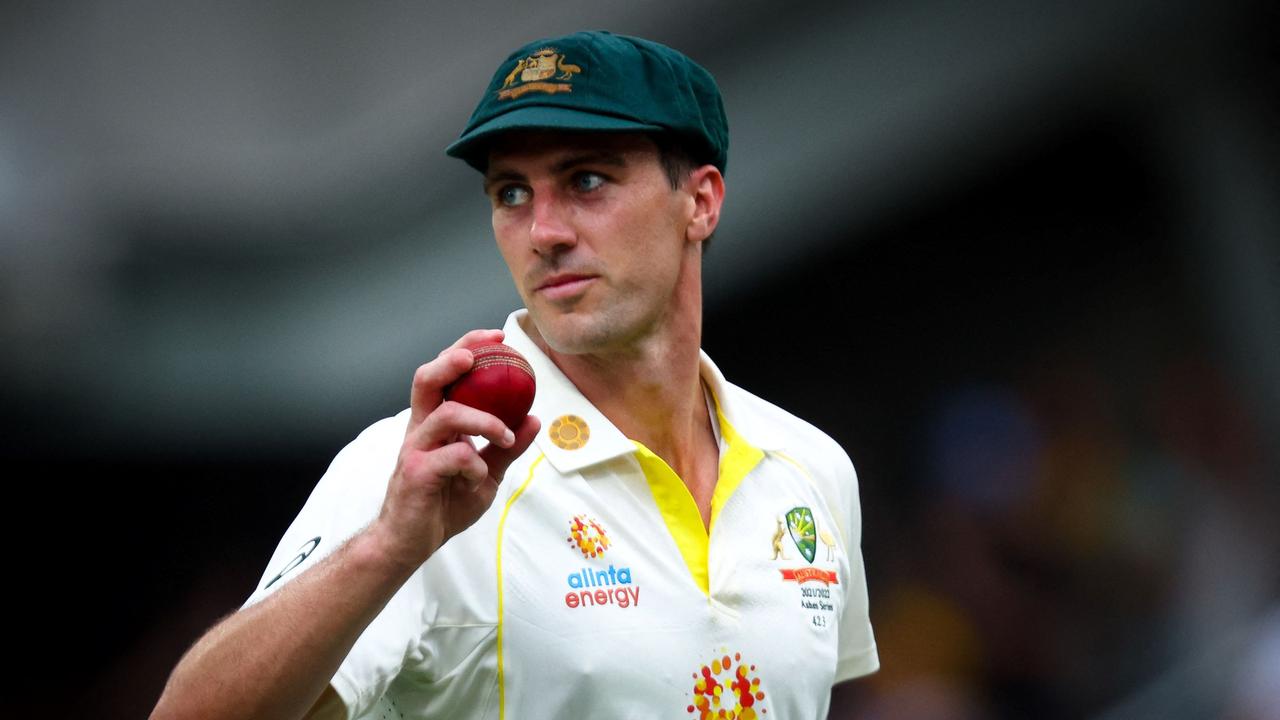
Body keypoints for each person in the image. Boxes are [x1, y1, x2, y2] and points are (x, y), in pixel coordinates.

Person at [151, 30, 877, 720]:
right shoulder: (419, 471)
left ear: (701, 201)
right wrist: (386, 546)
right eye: (511, 194)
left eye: (586, 180)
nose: (544, 233)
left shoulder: (813, 467)